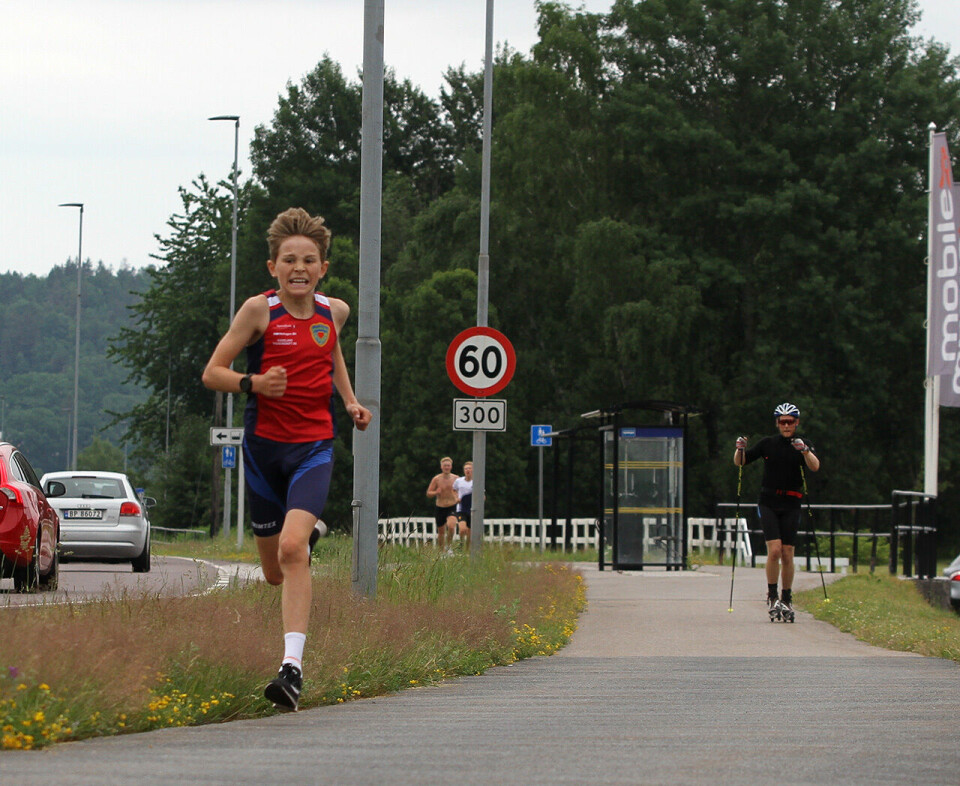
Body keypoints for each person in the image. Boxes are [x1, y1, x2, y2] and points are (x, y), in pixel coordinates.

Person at [202, 207, 372, 711]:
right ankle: (311, 534)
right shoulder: (259, 312)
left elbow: (332, 352)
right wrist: (253, 383)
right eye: (290, 260)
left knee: (293, 551)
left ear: (322, 268)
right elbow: (213, 372)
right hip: (262, 453)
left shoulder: (334, 311)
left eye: (310, 260)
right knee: (275, 570)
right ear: (273, 267)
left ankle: (291, 670)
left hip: (313, 448)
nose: (300, 267)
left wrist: (349, 401)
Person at [733, 402, 820, 622]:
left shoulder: (802, 443)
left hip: (792, 502)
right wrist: (739, 448)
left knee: (788, 552)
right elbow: (741, 462)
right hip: (769, 501)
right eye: (782, 422)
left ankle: (787, 596)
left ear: (796, 422)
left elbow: (815, 466)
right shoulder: (767, 444)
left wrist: (805, 451)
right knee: (774, 551)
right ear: (777, 423)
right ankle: (772, 594)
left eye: (790, 421)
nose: (786, 425)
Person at [426, 457, 459, 554]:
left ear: (451, 466)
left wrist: (458, 497)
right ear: (441, 467)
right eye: (445, 465)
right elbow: (428, 493)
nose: (446, 467)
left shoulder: (456, 478)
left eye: (448, 465)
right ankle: (442, 552)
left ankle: (449, 547)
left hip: (452, 506)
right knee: (441, 532)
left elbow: (462, 490)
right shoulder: (437, 479)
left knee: (451, 526)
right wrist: (436, 492)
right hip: (440, 507)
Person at [453, 461, 474, 548]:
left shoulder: (476, 482)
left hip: (472, 509)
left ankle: (468, 549)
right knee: (462, 529)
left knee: (469, 531)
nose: (467, 470)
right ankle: (461, 545)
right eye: (466, 468)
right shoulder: (459, 481)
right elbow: (453, 490)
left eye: (469, 468)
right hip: (461, 509)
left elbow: (482, 494)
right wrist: (456, 498)